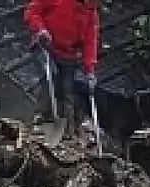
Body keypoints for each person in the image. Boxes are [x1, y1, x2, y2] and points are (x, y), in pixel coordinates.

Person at [25, 0, 100, 134]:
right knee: (50, 81)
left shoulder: (91, 13)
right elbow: (32, 12)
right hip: (46, 45)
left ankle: (68, 128)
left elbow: (90, 42)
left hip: (68, 54)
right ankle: (42, 120)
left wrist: (90, 69)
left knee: (68, 91)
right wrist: (40, 29)